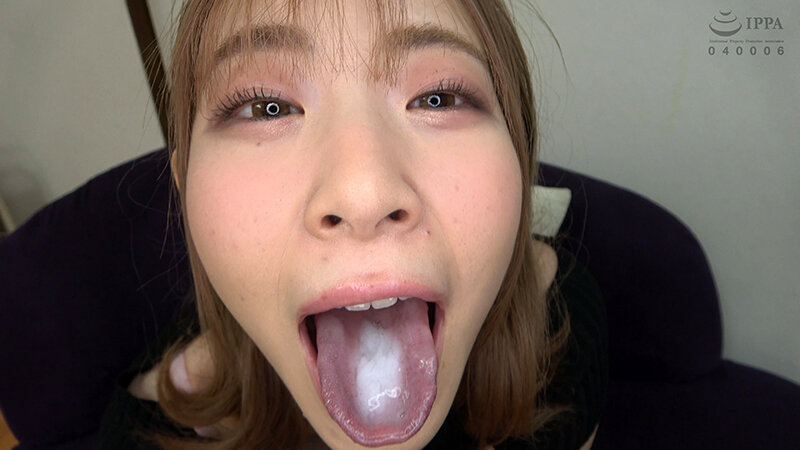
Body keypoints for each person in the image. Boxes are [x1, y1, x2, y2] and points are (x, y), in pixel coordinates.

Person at [102, 0, 607, 448]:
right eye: (266, 107)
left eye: (438, 97)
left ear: (519, 157)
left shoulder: (567, 334)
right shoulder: (151, 428)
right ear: (184, 184)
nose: (364, 194)